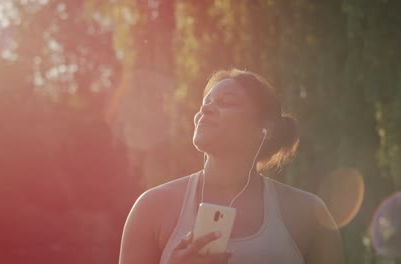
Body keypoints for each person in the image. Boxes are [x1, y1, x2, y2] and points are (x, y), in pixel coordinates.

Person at [119, 69, 343, 264]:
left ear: (264, 128)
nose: (205, 110)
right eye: (205, 103)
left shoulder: (308, 214)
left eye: (226, 102)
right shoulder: (151, 207)